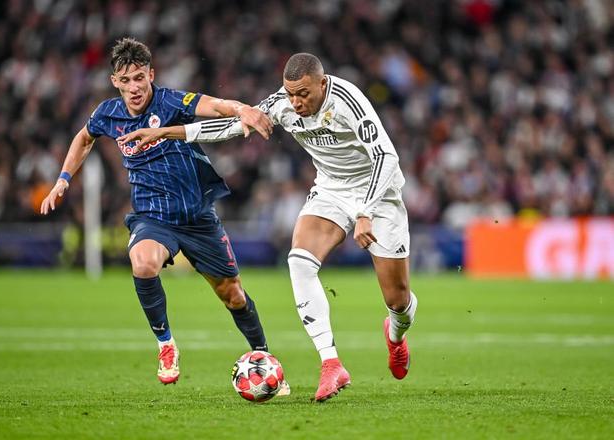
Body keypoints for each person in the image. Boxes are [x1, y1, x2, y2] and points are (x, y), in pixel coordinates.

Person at [119, 53, 418, 402]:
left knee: (397, 300)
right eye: (290, 94)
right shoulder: (282, 104)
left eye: (303, 94)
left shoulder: (347, 101)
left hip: (378, 194)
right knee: (300, 261)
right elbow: (231, 127)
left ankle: (396, 335)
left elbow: (385, 156)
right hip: (332, 190)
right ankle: (331, 364)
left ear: (322, 84)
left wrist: (365, 211)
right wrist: (166, 133)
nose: (296, 102)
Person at [40, 37, 279, 387]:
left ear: (151, 74)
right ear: (115, 82)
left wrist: (242, 109)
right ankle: (166, 344)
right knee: (142, 263)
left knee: (233, 295)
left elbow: (214, 106)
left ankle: (264, 357)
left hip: (197, 218)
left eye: (140, 77)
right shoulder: (107, 113)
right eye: (126, 80)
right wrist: (63, 180)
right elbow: (84, 138)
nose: (134, 87)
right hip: (153, 217)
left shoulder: (170, 102)